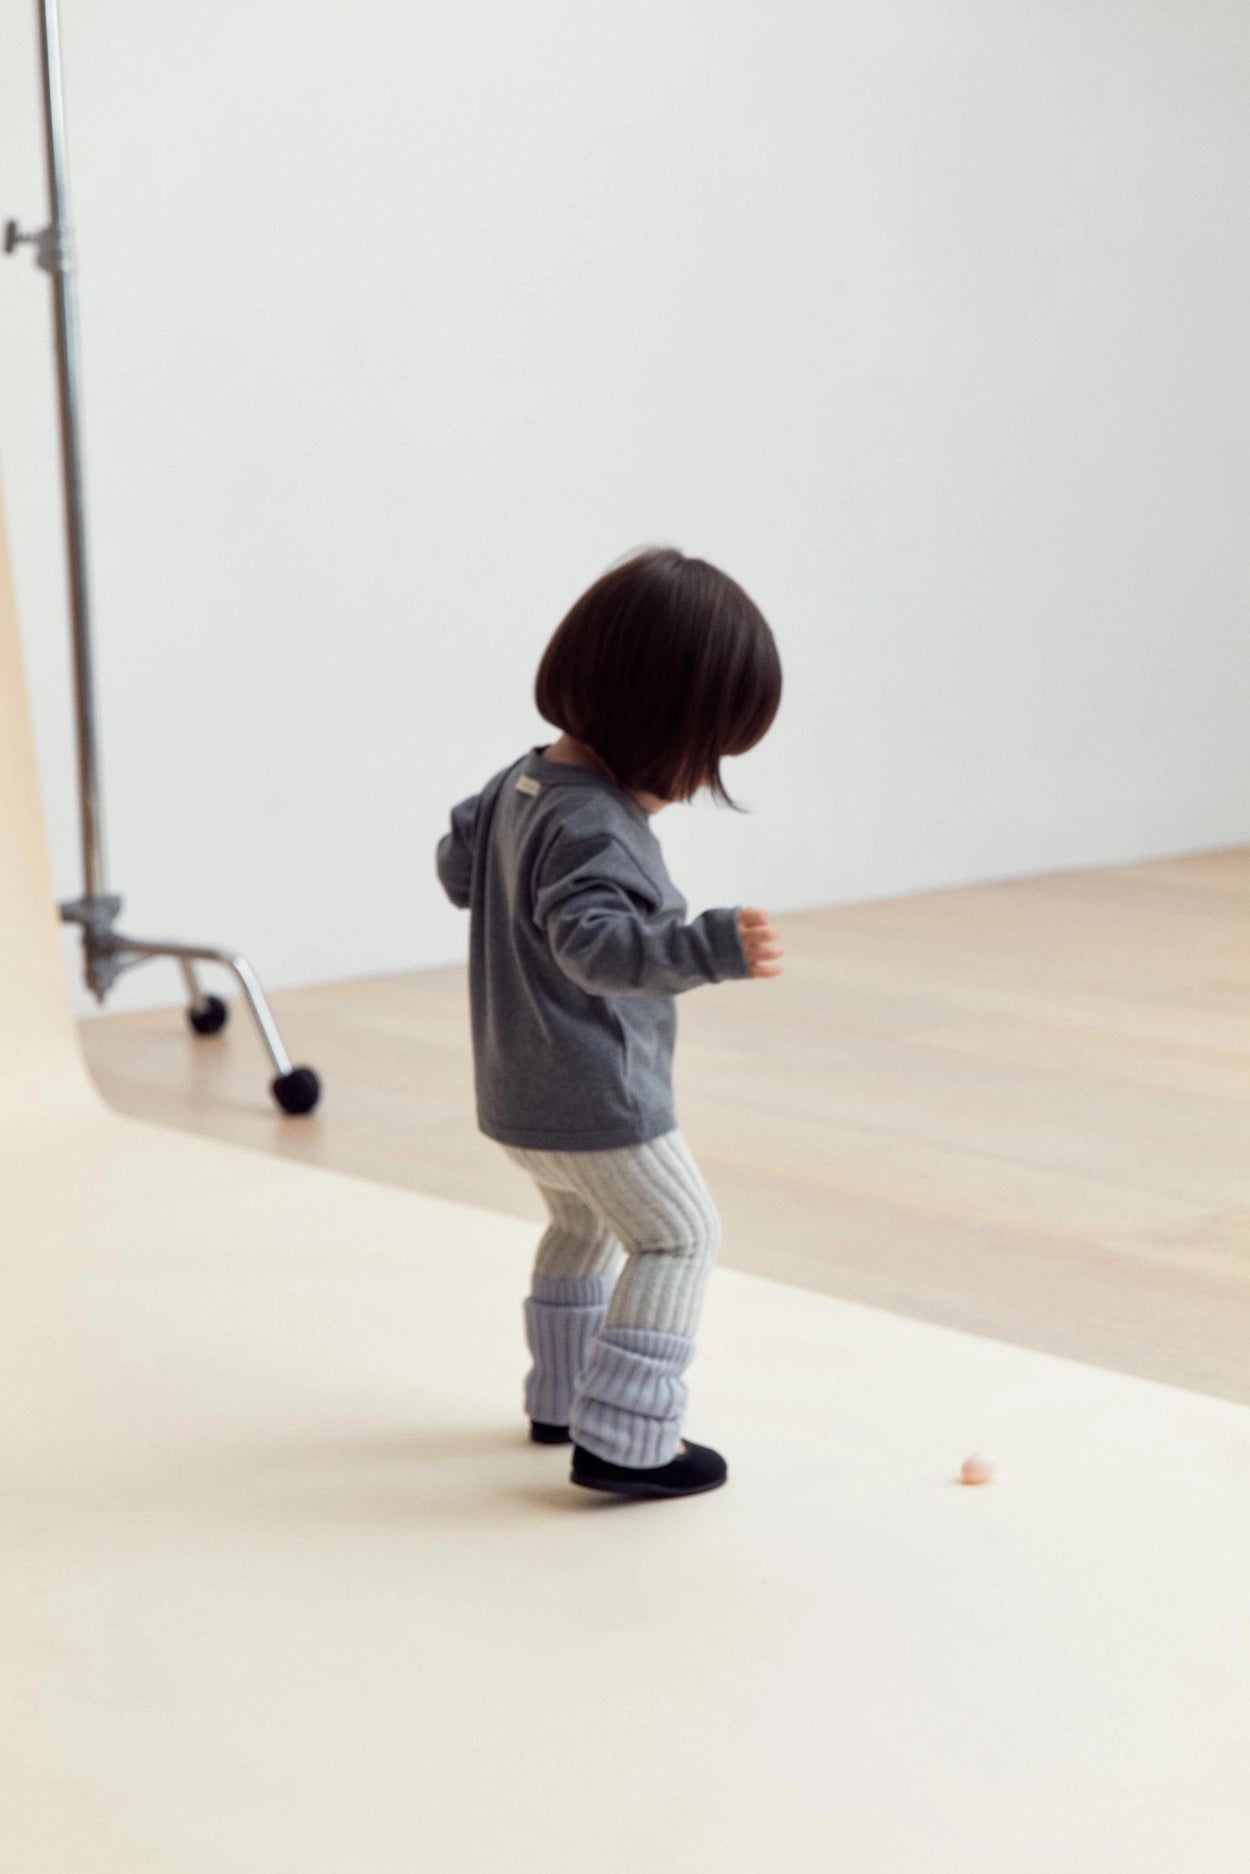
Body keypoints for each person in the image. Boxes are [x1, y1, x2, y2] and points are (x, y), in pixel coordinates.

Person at [435, 546, 783, 1499]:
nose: (700, 779)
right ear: (657, 725)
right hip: (597, 1096)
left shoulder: (518, 783)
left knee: (582, 1226)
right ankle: (628, 1438)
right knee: (678, 1235)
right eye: (706, 753)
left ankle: (560, 1398)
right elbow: (593, 948)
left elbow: (459, 865)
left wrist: (506, 875)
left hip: (518, 1092)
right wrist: (707, 947)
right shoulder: (596, 825)